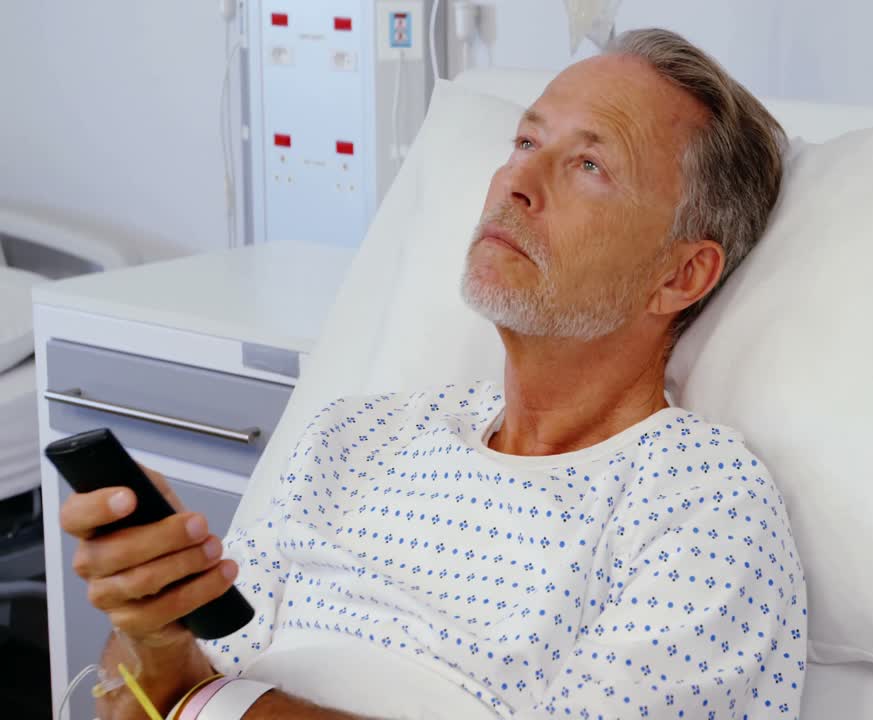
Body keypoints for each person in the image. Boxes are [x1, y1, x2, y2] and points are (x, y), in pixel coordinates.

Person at [60, 28, 805, 720]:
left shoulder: (703, 501)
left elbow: (195, 702)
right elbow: (141, 702)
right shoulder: (359, 434)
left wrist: (208, 701)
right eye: (524, 140)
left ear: (681, 275)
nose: (517, 181)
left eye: (588, 165)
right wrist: (156, 633)